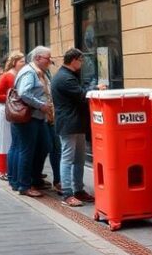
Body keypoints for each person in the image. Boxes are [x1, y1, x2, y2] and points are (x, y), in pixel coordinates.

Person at [52, 48, 100, 207]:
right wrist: (96, 89)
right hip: (69, 123)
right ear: (73, 60)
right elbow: (82, 96)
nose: (82, 64)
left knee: (79, 158)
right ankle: (67, 193)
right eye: (81, 60)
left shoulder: (67, 75)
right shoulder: (65, 78)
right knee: (67, 158)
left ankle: (78, 189)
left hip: (75, 123)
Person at [15, 46, 53, 197]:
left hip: (38, 117)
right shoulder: (29, 72)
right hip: (29, 117)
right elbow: (24, 93)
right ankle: (24, 185)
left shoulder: (38, 71)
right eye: (47, 59)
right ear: (38, 58)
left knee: (44, 147)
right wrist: (41, 105)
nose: (49, 62)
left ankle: (35, 178)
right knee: (27, 150)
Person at [0, 52, 25, 182]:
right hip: (5, 110)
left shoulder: (17, 75)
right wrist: (10, 99)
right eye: (22, 61)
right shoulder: (7, 75)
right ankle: (2, 168)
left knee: (11, 140)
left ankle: (8, 168)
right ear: (14, 62)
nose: (24, 63)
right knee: (4, 139)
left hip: (12, 109)